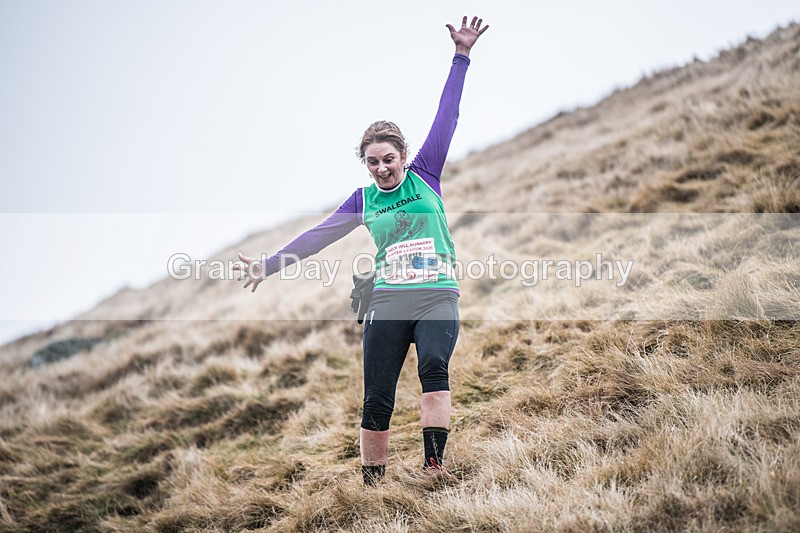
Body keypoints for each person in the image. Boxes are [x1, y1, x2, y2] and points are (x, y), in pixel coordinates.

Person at [234, 16, 488, 485]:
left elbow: (447, 115)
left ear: (403, 156)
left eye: (388, 159)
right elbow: (319, 236)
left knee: (434, 368)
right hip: (389, 299)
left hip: (436, 295)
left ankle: (434, 468)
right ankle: (373, 485)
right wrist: (270, 265)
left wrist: (462, 56)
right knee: (377, 397)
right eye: (372, 162)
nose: (381, 168)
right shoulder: (363, 200)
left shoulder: (426, 173)